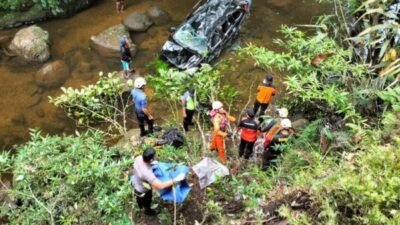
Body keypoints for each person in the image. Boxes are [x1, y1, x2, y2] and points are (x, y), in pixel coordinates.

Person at [133, 148, 186, 216]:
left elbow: (140, 167)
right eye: (155, 156)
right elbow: (161, 186)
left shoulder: (139, 158)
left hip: (136, 183)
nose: (156, 156)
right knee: (147, 200)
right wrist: (177, 179)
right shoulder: (147, 173)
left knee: (139, 197)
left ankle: (140, 206)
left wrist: (151, 164)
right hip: (143, 189)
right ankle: (147, 211)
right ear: (151, 159)